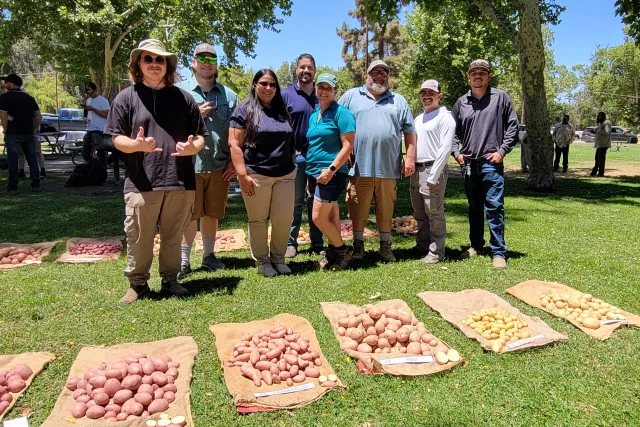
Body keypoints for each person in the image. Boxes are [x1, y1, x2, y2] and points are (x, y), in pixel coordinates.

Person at [104, 39, 207, 304]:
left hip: (180, 180)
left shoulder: (184, 98)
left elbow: (199, 138)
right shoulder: (126, 98)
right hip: (141, 181)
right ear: (138, 64)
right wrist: (135, 145)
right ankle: (138, 284)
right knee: (139, 236)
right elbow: (116, 138)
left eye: (160, 60)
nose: (154, 64)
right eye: (148, 59)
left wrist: (190, 149)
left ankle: (170, 280)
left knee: (173, 235)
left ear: (167, 65)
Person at [338, 59, 416, 262]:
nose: (379, 76)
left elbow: (409, 132)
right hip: (358, 167)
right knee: (357, 209)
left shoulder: (398, 101)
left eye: (384, 73)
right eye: (375, 72)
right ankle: (358, 246)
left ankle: (385, 247)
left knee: (386, 210)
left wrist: (410, 158)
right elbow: (335, 123)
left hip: (388, 167)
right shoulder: (351, 96)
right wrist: (341, 152)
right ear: (367, 76)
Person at [176, 43, 238, 278]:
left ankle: (209, 257)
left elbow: (236, 132)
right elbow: (170, 127)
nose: (206, 62)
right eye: (201, 58)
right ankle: (184, 260)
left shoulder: (229, 95)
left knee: (211, 212)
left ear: (216, 64)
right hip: (188, 165)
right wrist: (194, 116)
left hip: (219, 165)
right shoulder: (179, 91)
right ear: (193, 62)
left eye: (211, 59)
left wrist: (233, 162)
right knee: (189, 213)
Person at [451, 59, 519, 269]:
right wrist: (457, 153)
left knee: (495, 207)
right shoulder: (461, 103)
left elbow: (512, 127)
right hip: (469, 164)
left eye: (482, 72)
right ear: (468, 77)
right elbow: (452, 133)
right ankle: (476, 246)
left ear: (489, 76)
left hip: (491, 162)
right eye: (474, 73)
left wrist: (501, 151)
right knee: (474, 208)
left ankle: (498, 252)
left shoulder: (501, 98)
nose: (477, 76)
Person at [229, 69, 296, 277]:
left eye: (272, 85)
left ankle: (278, 258)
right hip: (256, 174)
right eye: (264, 83)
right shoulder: (244, 110)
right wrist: (242, 175)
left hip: (286, 174)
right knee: (258, 220)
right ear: (255, 85)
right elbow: (234, 144)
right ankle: (263, 262)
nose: (268, 88)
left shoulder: (281, 110)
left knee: (284, 219)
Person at [306, 73, 355, 270]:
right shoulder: (314, 115)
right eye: (321, 87)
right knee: (332, 214)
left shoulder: (342, 114)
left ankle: (343, 251)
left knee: (318, 217)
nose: (324, 91)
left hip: (331, 173)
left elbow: (348, 146)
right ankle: (333, 251)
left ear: (336, 91)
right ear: (316, 89)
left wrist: (331, 169)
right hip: (313, 172)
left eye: (328, 87)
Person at [281, 53, 323, 258]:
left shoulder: (321, 95)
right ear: (296, 70)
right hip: (294, 156)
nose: (306, 71)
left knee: (317, 200)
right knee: (295, 201)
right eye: (302, 67)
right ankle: (291, 243)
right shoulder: (285, 95)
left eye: (310, 68)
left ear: (315, 71)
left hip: (318, 156)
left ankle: (317, 242)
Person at [411, 79, 456, 265]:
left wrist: (434, 174)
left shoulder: (445, 118)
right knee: (419, 212)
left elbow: (445, 149)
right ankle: (422, 246)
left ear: (439, 95)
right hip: (417, 168)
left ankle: (437, 252)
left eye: (431, 93)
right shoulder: (418, 118)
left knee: (434, 211)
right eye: (423, 93)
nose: (427, 96)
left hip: (432, 168)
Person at [0, 74, 41, 194]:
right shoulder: (29, 98)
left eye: (6, 82)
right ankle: (36, 184)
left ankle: (12, 187)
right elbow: (38, 116)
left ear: (11, 84)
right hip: (28, 133)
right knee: (32, 159)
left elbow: (3, 116)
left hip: (13, 133)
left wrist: (6, 129)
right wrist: (33, 129)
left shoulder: (5, 98)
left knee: (13, 160)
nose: (4, 85)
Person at [82, 82, 111, 167]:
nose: (89, 94)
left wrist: (94, 109)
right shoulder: (88, 100)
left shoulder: (103, 100)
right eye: (88, 93)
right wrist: (85, 118)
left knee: (101, 153)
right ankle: (93, 167)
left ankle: (102, 172)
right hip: (90, 129)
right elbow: (87, 112)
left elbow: (107, 115)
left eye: (91, 92)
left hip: (100, 129)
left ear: (95, 90)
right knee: (85, 152)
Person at [591, 111, 611, 177]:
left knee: (601, 159)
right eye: (598, 115)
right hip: (599, 144)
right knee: (597, 159)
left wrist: (599, 130)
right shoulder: (600, 124)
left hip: (603, 144)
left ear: (603, 116)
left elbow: (607, 132)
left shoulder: (607, 123)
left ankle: (601, 173)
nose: (599, 117)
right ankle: (594, 171)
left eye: (600, 116)